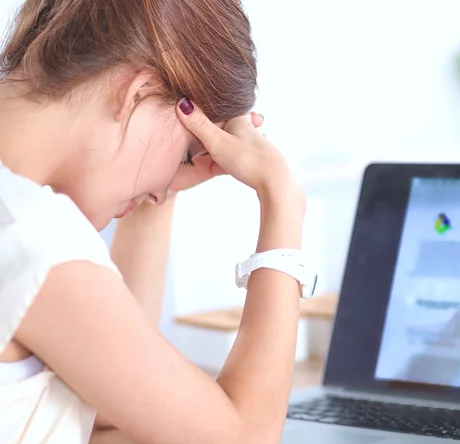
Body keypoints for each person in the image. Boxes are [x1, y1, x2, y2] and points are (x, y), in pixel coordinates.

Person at [0, 1, 306, 443]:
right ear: (138, 93)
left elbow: (110, 408)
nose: (163, 186)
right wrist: (281, 197)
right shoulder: (34, 238)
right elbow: (247, 436)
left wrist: (157, 195)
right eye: (188, 150)